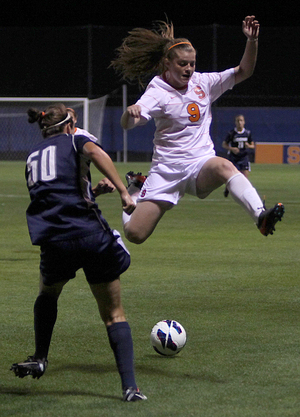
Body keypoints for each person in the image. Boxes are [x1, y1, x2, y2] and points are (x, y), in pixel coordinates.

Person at [10, 103, 147, 402]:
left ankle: (40, 357)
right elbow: (97, 153)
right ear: (70, 125)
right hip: (89, 237)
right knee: (113, 313)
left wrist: (94, 192)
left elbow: (58, 196)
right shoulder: (75, 140)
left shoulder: (32, 157)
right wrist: (124, 192)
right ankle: (130, 388)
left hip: (54, 241)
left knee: (47, 294)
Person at [111, 16, 284, 242]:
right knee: (135, 234)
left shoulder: (203, 83)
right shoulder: (157, 90)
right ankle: (135, 190)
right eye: (182, 64)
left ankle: (260, 216)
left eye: (192, 63)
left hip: (199, 164)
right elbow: (128, 124)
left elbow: (244, 71)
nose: (189, 69)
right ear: (167, 64)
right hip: (167, 171)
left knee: (224, 166)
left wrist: (252, 40)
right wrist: (128, 113)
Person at [222, 114, 255, 197]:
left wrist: (249, 145)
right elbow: (224, 144)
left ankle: (244, 193)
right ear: (235, 122)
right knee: (231, 177)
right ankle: (227, 189)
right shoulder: (232, 133)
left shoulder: (247, 133)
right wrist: (232, 149)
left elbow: (252, 145)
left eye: (241, 121)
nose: (240, 123)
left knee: (245, 178)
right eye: (238, 121)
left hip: (244, 157)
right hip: (234, 158)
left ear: (244, 122)